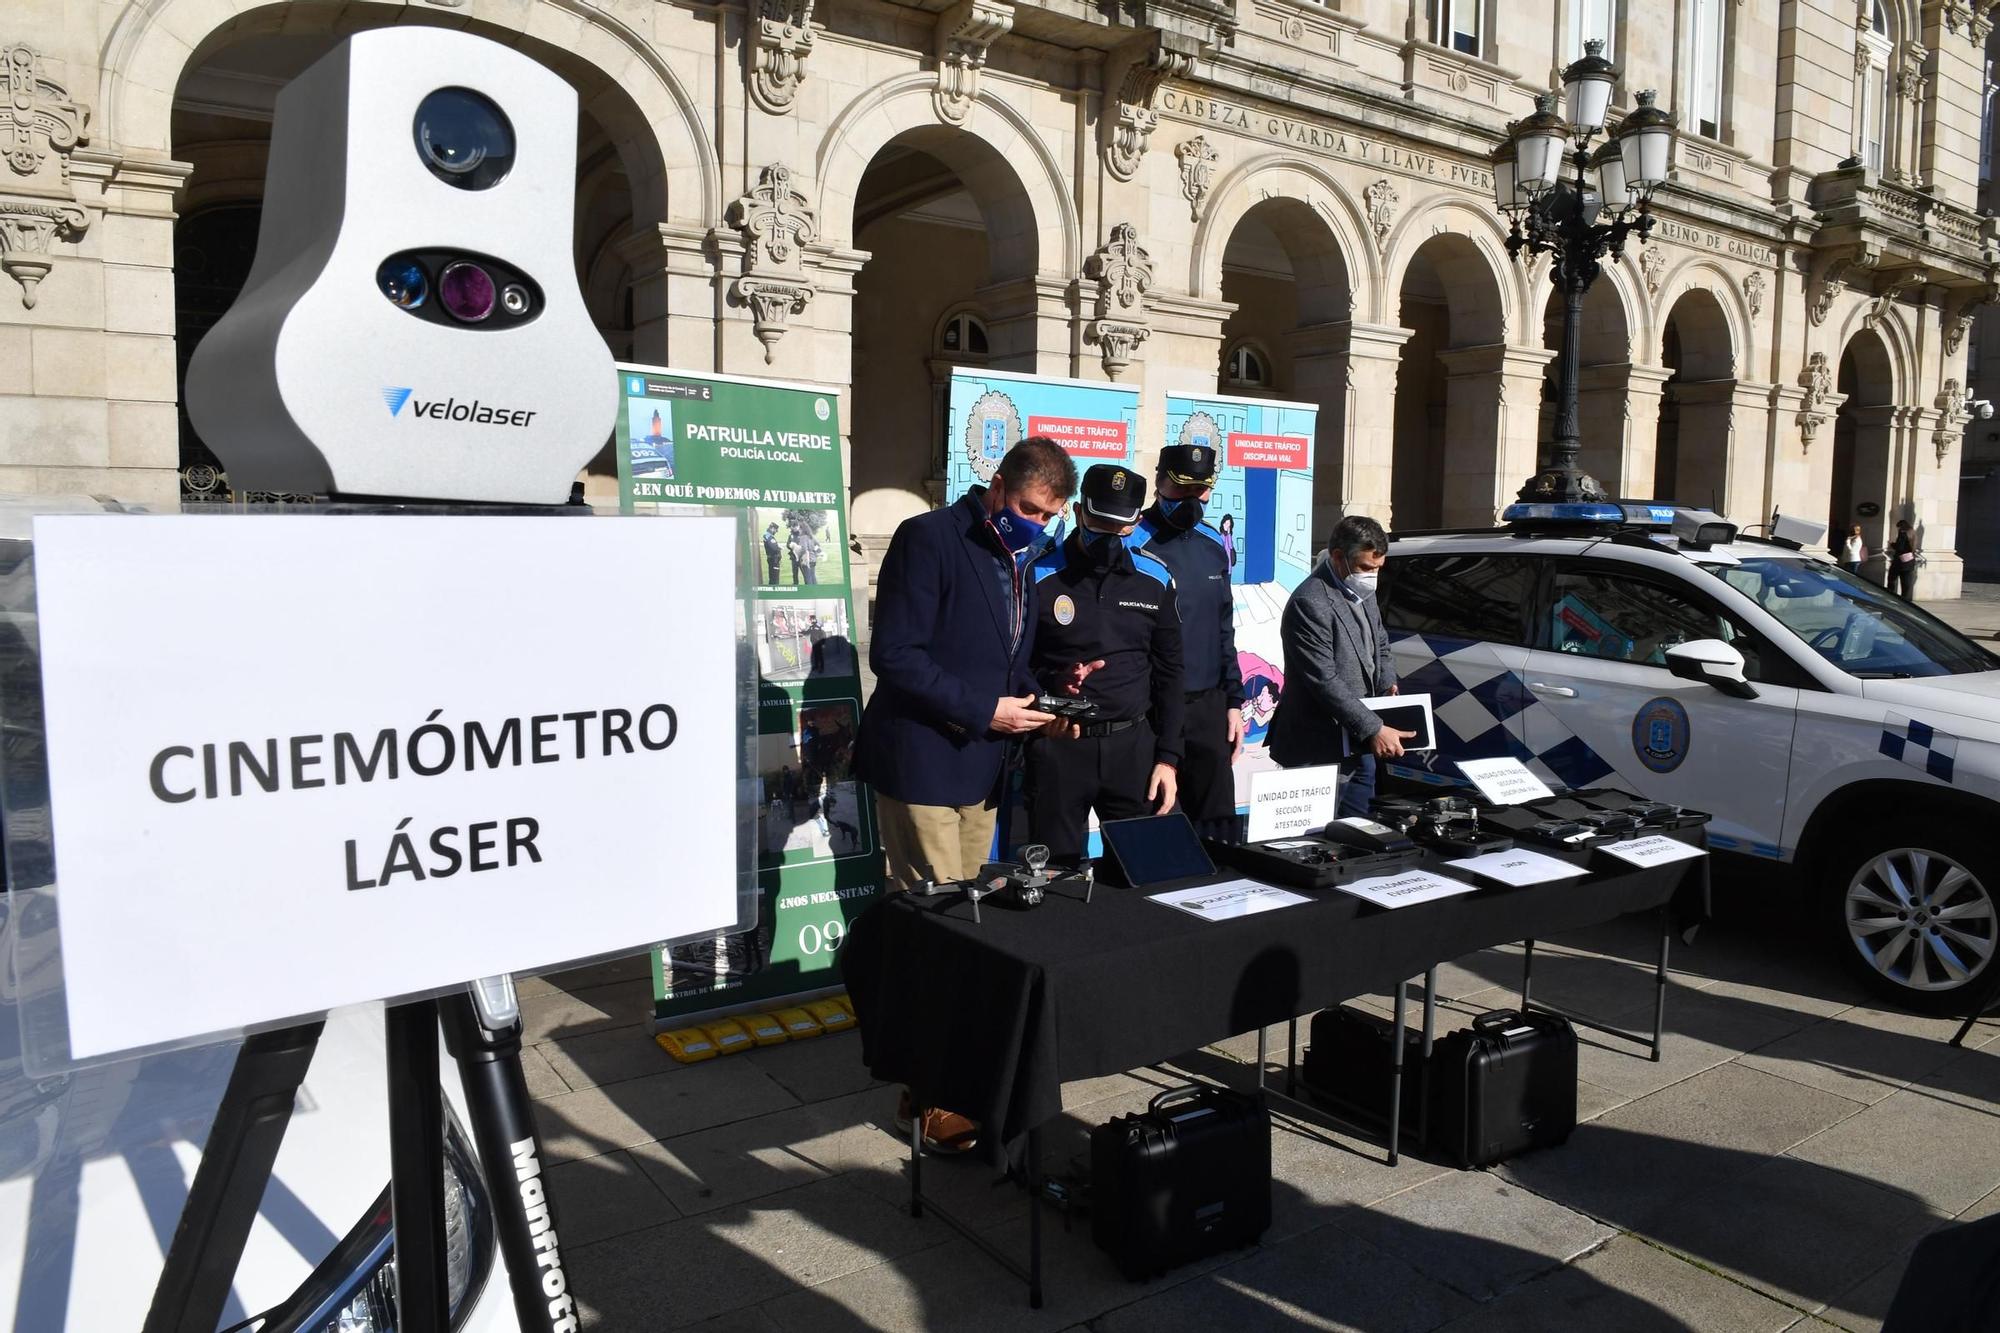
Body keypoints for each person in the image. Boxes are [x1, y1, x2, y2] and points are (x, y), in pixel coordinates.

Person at [854, 436, 1077, 1154]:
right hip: (924, 761)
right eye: (1029, 508)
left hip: (982, 768)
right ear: (997, 485)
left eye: (1050, 515)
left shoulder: (1019, 557)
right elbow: (893, 654)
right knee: (936, 927)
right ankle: (925, 1097)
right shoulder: (929, 539)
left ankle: (956, 1071)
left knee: (968, 921)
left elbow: (1007, 653)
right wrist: (987, 709)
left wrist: (1054, 685)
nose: (1038, 524)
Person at [1022, 464, 1185, 863]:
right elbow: (1015, 664)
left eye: (1121, 526)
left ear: (1135, 523)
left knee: (1140, 871)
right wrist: (1054, 682)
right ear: (1078, 512)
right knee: (1055, 875)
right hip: (1060, 745)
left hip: (1133, 751)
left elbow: (1170, 673)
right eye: (1099, 522)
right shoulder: (1036, 573)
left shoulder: (1156, 578)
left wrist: (1168, 758)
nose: (1109, 535)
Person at [1130, 444, 1244, 841]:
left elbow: (1223, 628)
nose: (1192, 499)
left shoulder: (1215, 546)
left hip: (1208, 708)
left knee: (1218, 834)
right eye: (1182, 489)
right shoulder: (1132, 543)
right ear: (1159, 479)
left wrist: (1233, 700)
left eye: (1201, 491)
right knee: (1154, 832)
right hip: (1150, 712)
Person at [1265, 515, 1414, 818]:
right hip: (1318, 747)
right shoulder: (1310, 602)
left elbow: (1380, 644)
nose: (1372, 577)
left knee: (1358, 835)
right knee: (1315, 843)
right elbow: (1323, 680)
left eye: (1377, 569)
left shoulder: (1363, 594)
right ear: (1337, 557)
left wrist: (1388, 684)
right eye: (1365, 568)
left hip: (1358, 745)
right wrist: (1374, 728)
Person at [1889, 519, 1920, 600]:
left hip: (1900, 561)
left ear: (1901, 526)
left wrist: (1892, 544)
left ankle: (1890, 595)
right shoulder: (1913, 532)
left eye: (1898, 527)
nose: (1898, 529)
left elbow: (1900, 547)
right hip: (1910, 559)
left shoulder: (1903, 533)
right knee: (1906, 581)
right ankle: (1905, 598)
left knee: (1892, 578)